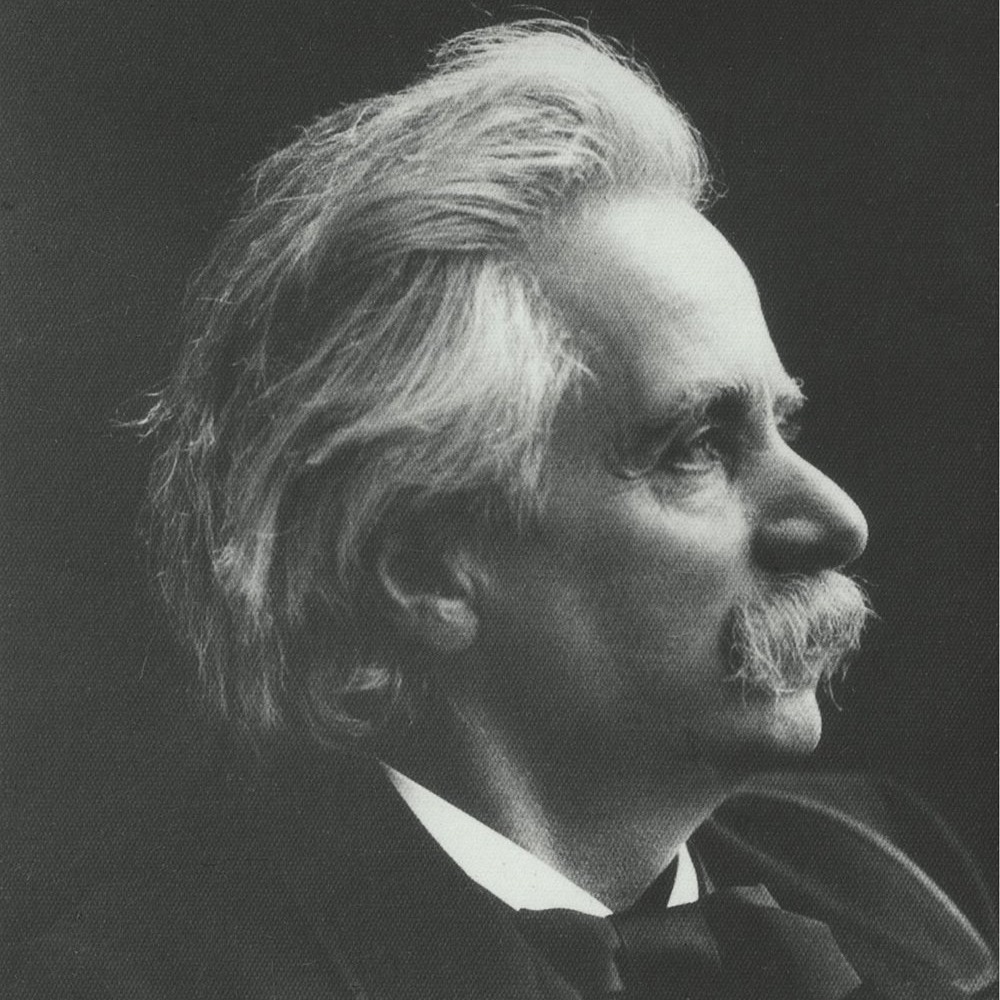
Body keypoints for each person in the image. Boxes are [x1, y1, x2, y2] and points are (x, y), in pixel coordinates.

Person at [9, 19, 995, 1000]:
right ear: (426, 569)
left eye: (784, 424)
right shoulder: (134, 982)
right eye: (698, 446)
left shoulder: (895, 874)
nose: (836, 519)